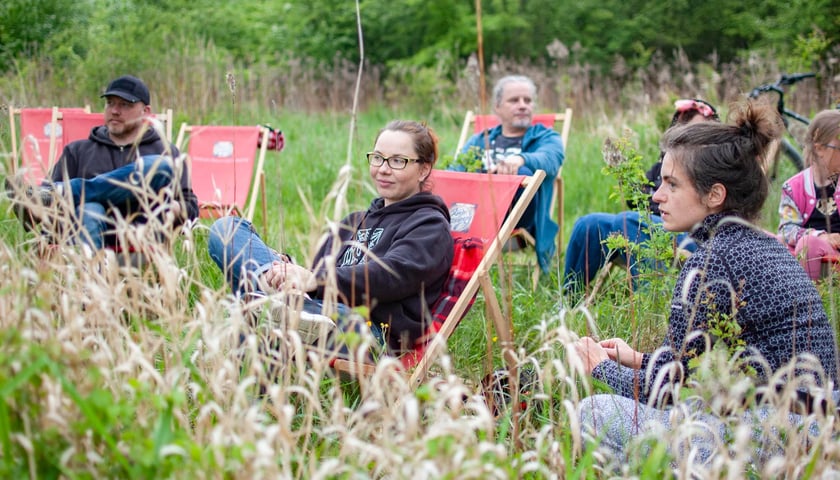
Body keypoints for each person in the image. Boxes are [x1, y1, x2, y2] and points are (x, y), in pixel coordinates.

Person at [570, 102, 839, 465]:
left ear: (715, 195)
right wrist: (637, 359)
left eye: (672, 184)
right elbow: (693, 370)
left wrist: (597, 365)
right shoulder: (762, 246)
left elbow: (666, 392)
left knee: (594, 411)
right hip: (817, 427)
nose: (656, 196)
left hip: (773, 435)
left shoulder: (713, 260)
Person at [208, 120, 454, 355]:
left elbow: (390, 275)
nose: (383, 169)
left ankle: (266, 310)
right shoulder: (354, 221)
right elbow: (315, 275)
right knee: (226, 228)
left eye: (398, 161)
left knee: (286, 308)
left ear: (423, 169)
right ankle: (272, 294)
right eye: (378, 158)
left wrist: (316, 280)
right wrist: (286, 271)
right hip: (317, 307)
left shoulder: (429, 225)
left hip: (369, 329)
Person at [7, 75, 198, 251]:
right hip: (85, 238)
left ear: (146, 111)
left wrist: (165, 205)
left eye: (125, 105)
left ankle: (63, 192)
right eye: (110, 103)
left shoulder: (165, 151)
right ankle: (93, 281)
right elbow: (48, 209)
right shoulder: (78, 151)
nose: (115, 111)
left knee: (159, 165)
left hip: (142, 237)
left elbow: (191, 209)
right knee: (90, 210)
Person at [563, 99, 719, 295]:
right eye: (683, 128)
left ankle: (652, 301)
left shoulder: (715, 167)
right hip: (653, 227)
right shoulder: (664, 166)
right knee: (589, 224)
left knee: (627, 221)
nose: (687, 135)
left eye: (697, 130)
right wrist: (626, 174)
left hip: (697, 239)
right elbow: (637, 199)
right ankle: (569, 302)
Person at [459, 75, 564, 274]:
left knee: (522, 173)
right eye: (514, 100)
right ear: (497, 107)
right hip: (476, 215)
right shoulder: (480, 141)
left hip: (518, 221)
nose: (523, 105)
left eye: (528, 100)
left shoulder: (546, 137)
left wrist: (521, 159)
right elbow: (456, 169)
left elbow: (552, 158)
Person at [778, 109, 840, 280]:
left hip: (835, 257)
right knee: (763, 238)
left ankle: (809, 302)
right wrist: (820, 236)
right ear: (820, 149)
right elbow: (786, 230)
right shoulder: (793, 187)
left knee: (808, 244)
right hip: (803, 252)